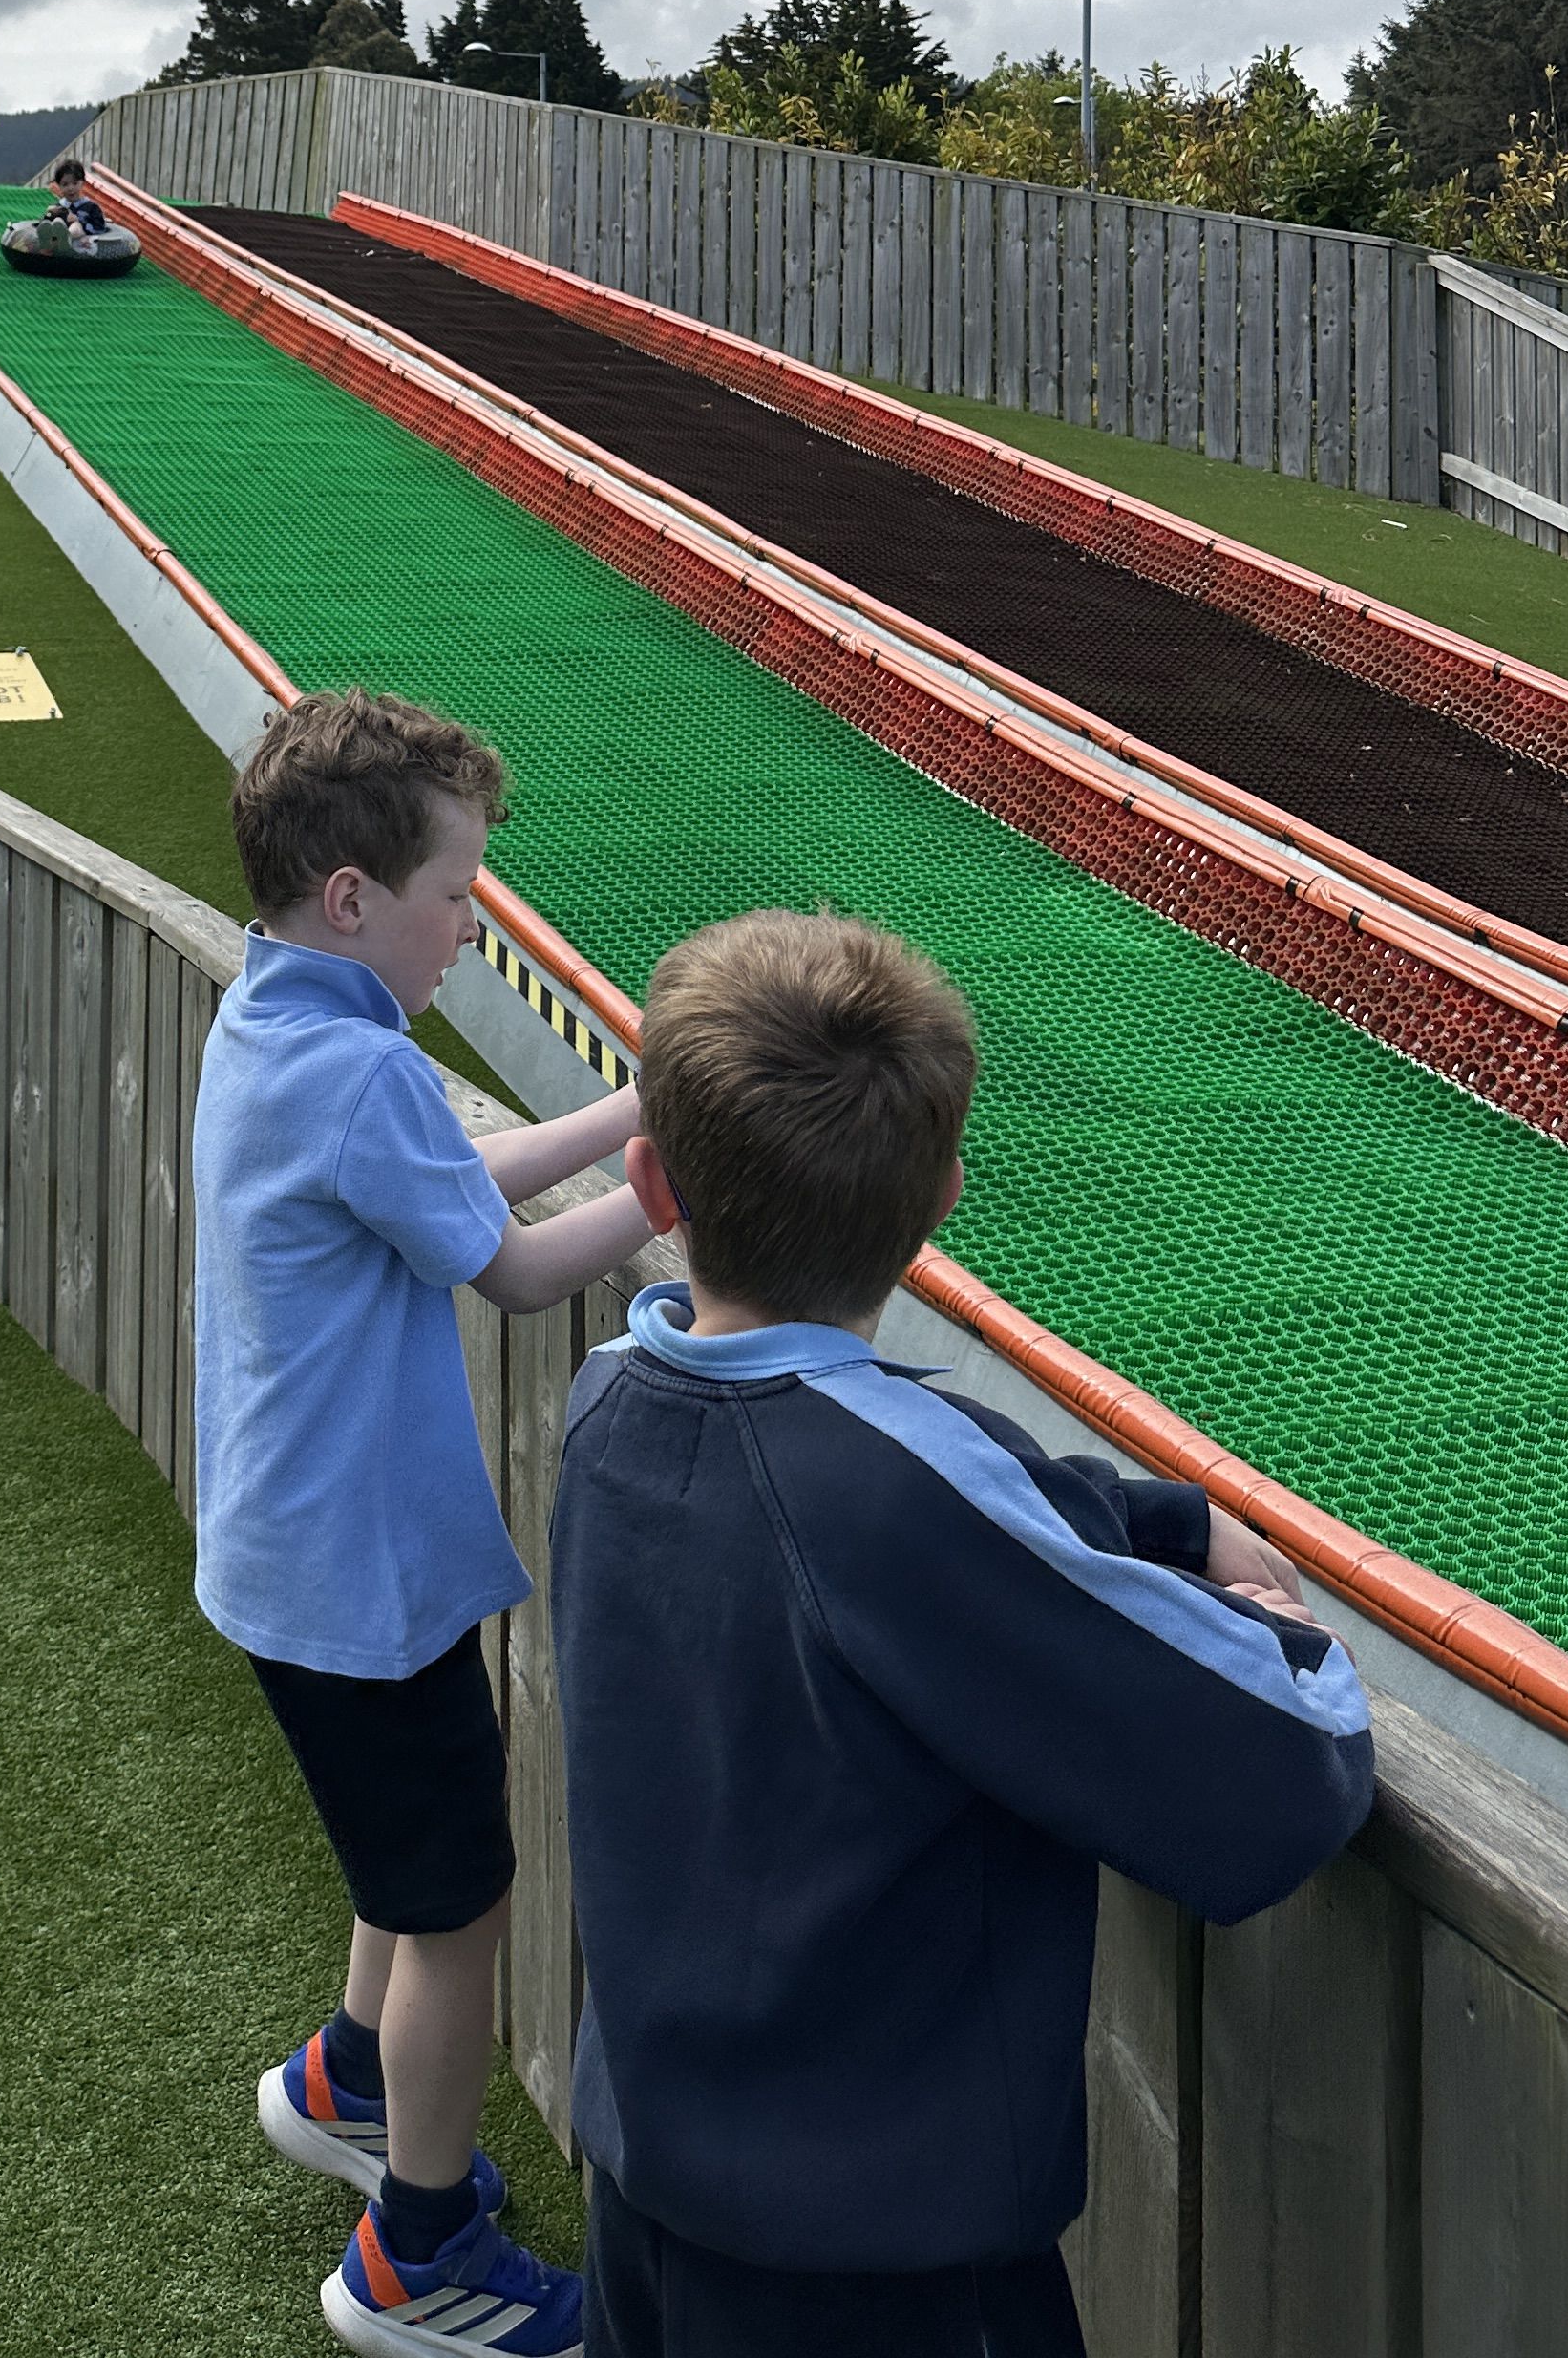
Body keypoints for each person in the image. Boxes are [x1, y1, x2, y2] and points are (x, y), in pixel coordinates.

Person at [552, 911, 1376, 2358]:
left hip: (649, 2188)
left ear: (652, 1182)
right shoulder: (891, 1498)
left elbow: (893, 1486)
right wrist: (1283, 1630)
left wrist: (1156, 1521)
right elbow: (1278, 1771)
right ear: (940, 1197)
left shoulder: (610, 1395)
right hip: (877, 2266)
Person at [197, 690, 644, 2358]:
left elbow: (454, 1185)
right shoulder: (362, 1072)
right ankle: (419, 2256)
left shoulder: (280, 1022)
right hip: (356, 1577)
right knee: (456, 1902)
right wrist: (670, 1193)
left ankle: (352, 2083)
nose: (471, 923)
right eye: (455, 893)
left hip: (297, 1559)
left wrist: (637, 1109)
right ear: (351, 898)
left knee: (404, 1859)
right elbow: (515, 1269)